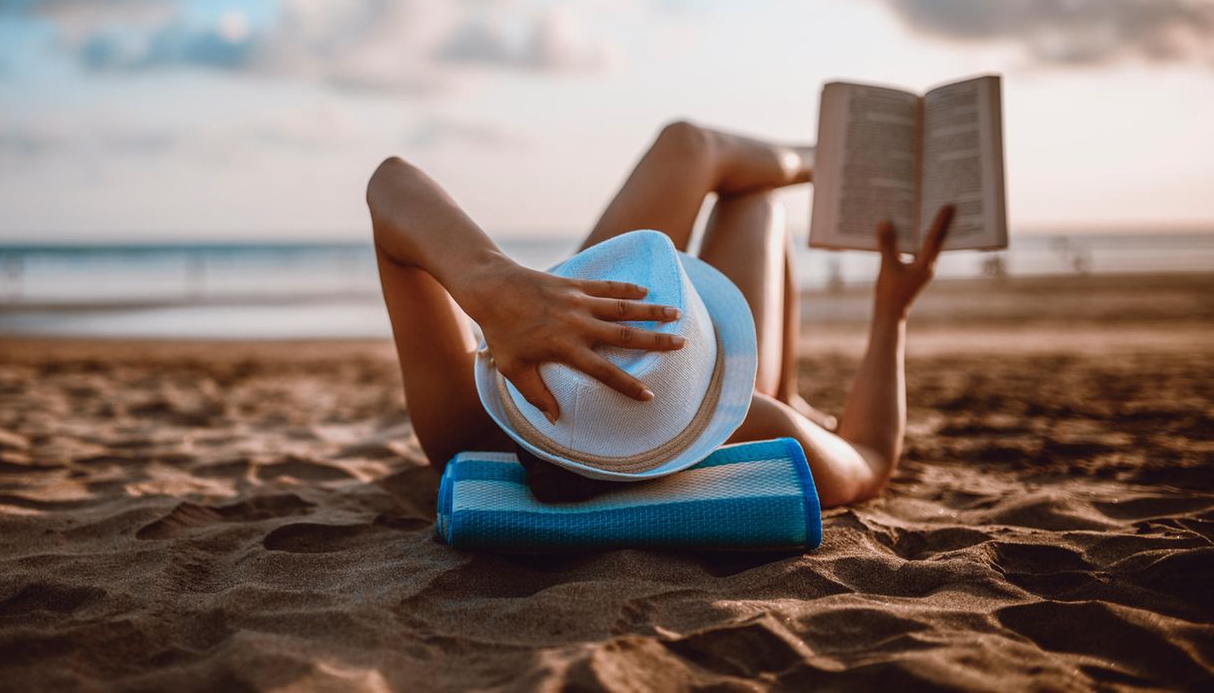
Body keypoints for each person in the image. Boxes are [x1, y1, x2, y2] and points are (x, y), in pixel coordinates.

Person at [366, 120, 954, 507]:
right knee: (752, 200)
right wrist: (892, 311)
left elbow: (390, 184)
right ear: (714, 398)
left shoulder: (469, 428)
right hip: (752, 407)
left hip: (605, 382)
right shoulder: (755, 429)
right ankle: (830, 163)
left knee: (687, 146)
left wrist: (493, 284)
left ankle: (825, 160)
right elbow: (871, 454)